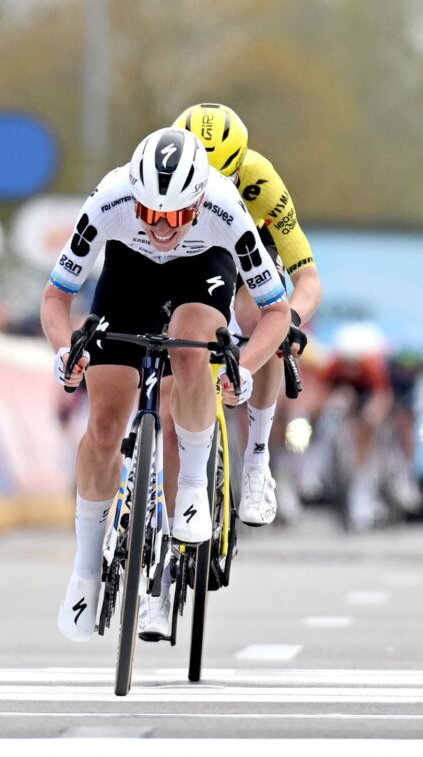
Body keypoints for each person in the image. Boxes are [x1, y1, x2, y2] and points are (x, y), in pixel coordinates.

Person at [42, 127, 290, 642]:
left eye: (175, 216)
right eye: (149, 213)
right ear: (134, 196)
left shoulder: (225, 208)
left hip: (202, 271)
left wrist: (244, 367)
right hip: (129, 275)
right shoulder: (110, 199)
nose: (160, 227)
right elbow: (55, 297)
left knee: (190, 348)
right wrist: (65, 350)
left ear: (198, 200)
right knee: (104, 426)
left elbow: (277, 312)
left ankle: (193, 487)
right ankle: (85, 570)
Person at [174, 103, 322, 527]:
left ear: (240, 170)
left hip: (247, 251)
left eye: (224, 180)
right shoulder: (160, 174)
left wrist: (289, 321)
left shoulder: (262, 181)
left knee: (263, 319)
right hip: (188, 247)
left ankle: (257, 459)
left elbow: (308, 279)